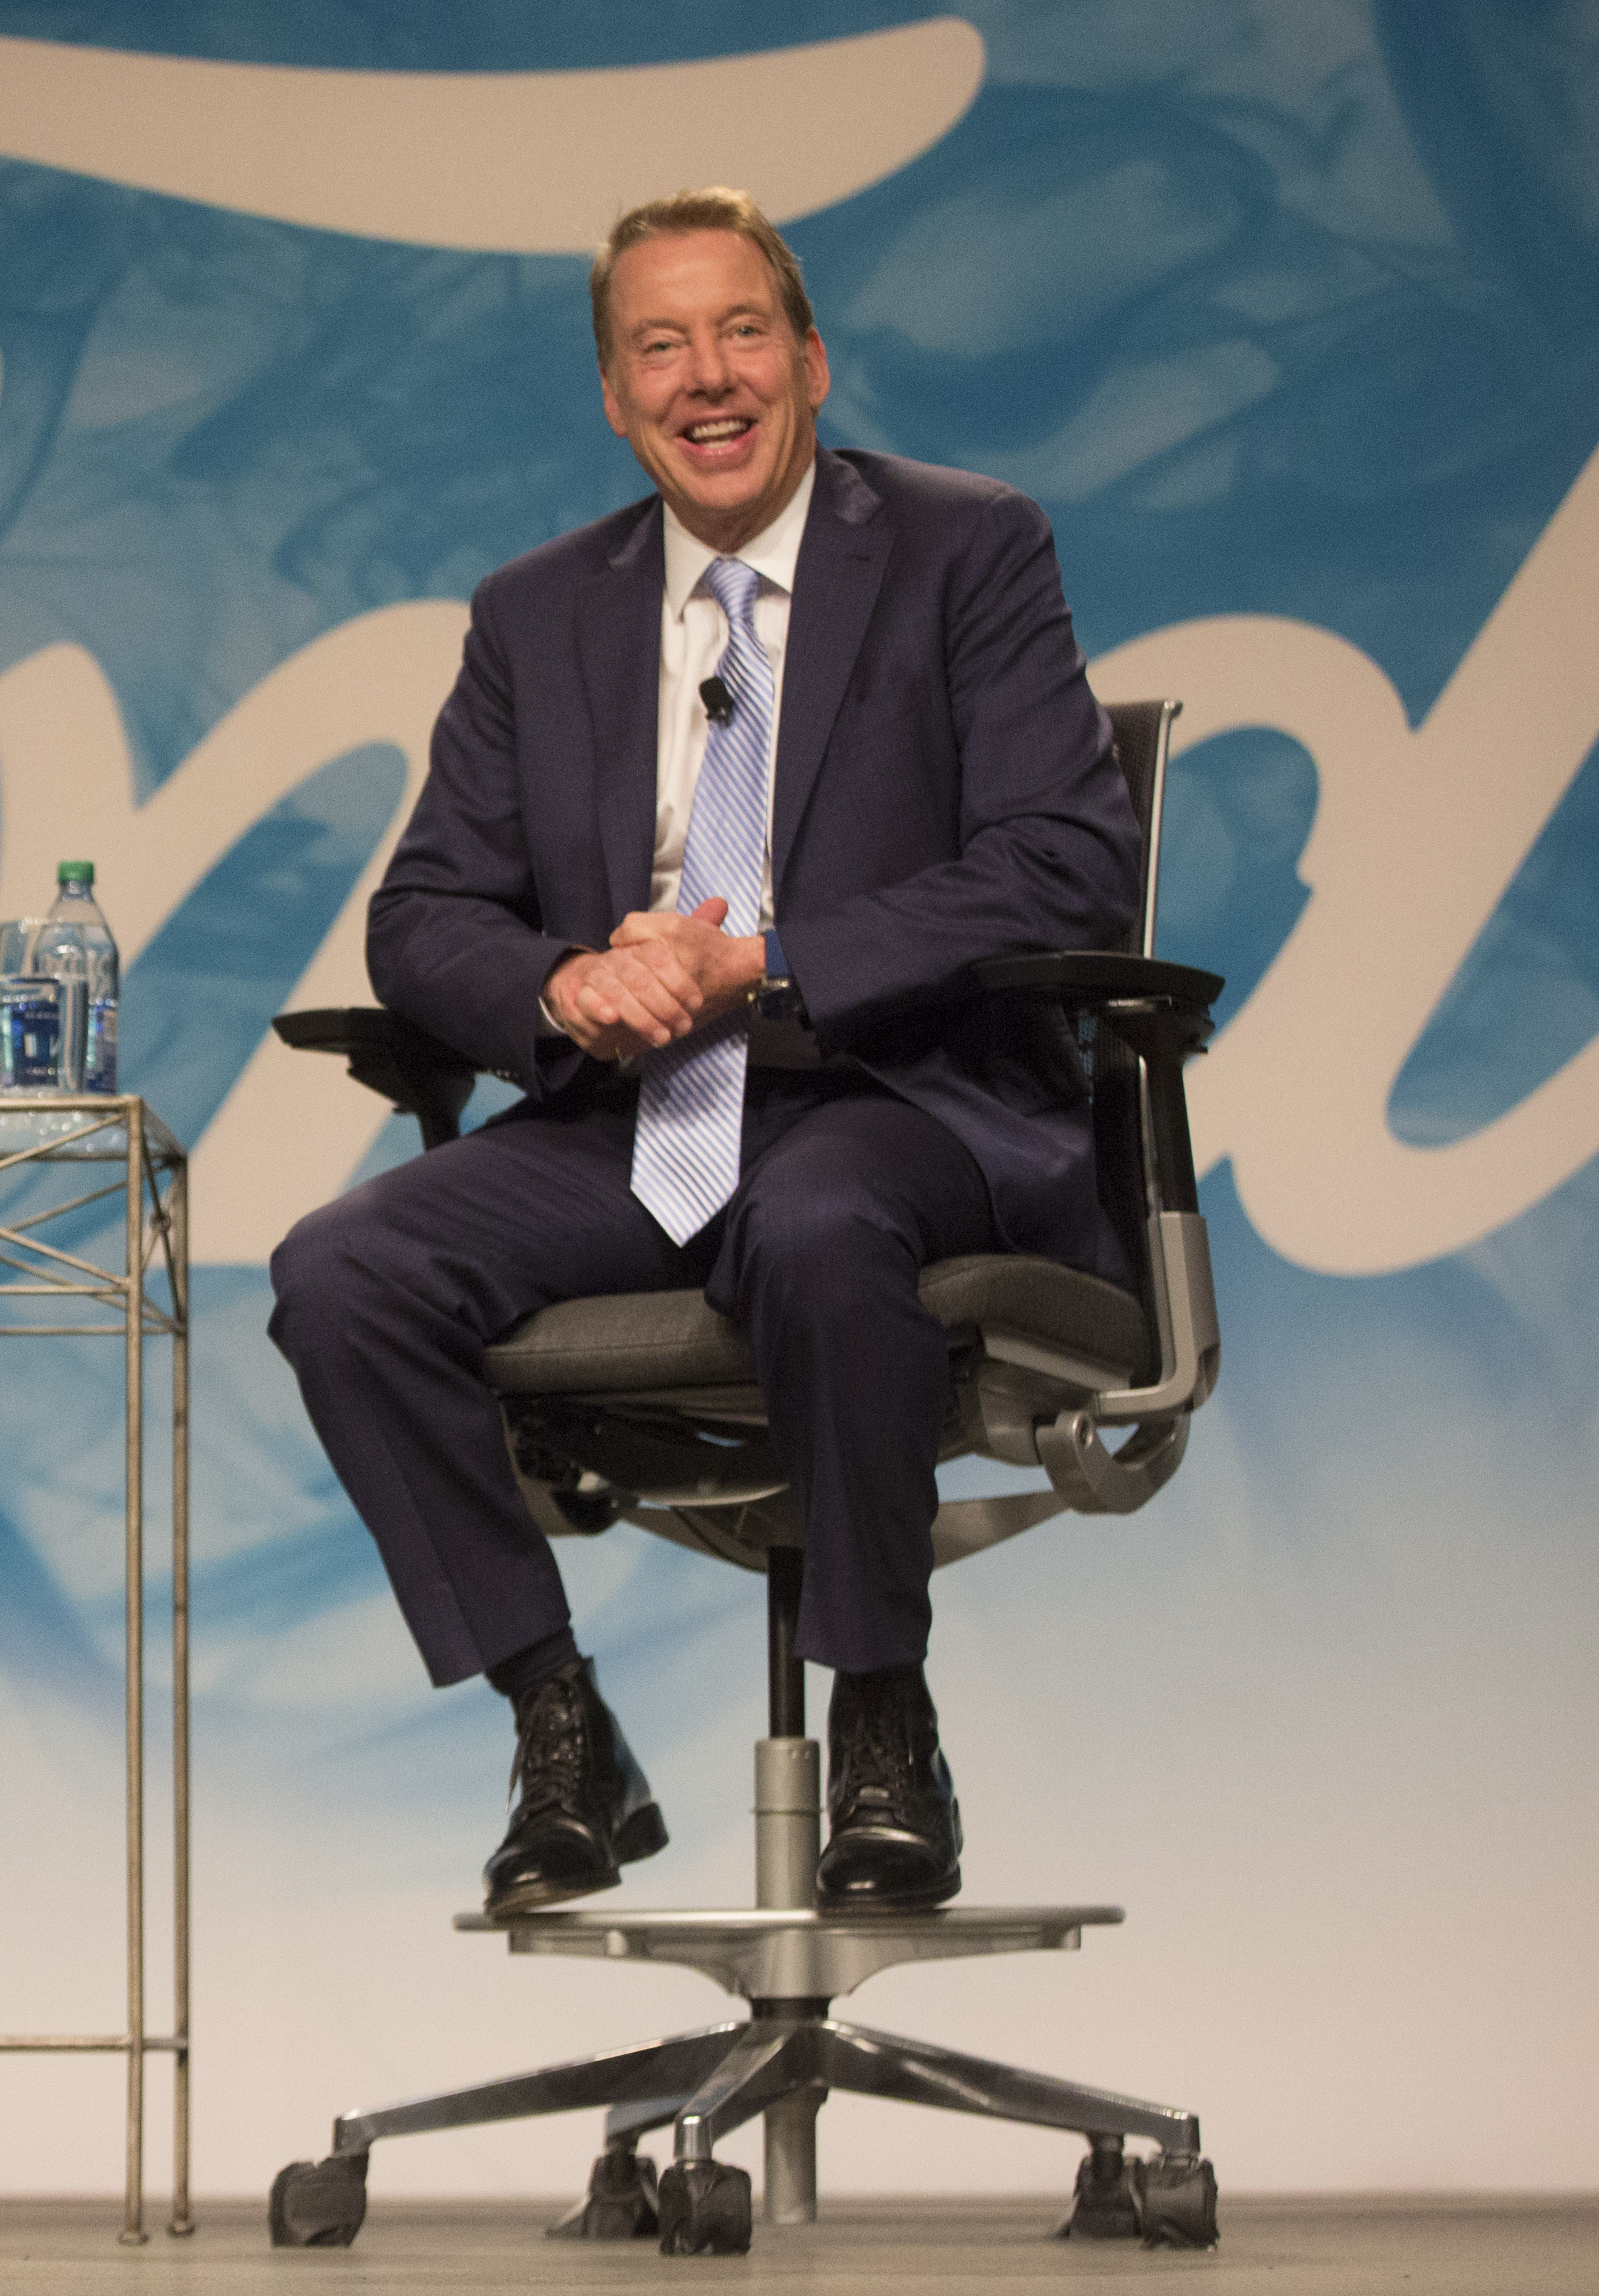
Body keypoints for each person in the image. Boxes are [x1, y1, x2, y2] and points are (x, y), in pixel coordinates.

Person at [268, 188, 1141, 1917]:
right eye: (657, 346)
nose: (706, 376)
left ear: (810, 359)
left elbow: (1066, 856)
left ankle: (883, 1718)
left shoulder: (967, 549)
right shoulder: (536, 616)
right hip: (638, 1119)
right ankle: (557, 1723)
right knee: (341, 1272)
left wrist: (772, 963)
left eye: (740, 332)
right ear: (614, 396)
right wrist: (567, 987)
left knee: (818, 1227)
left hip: (893, 1095)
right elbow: (423, 913)